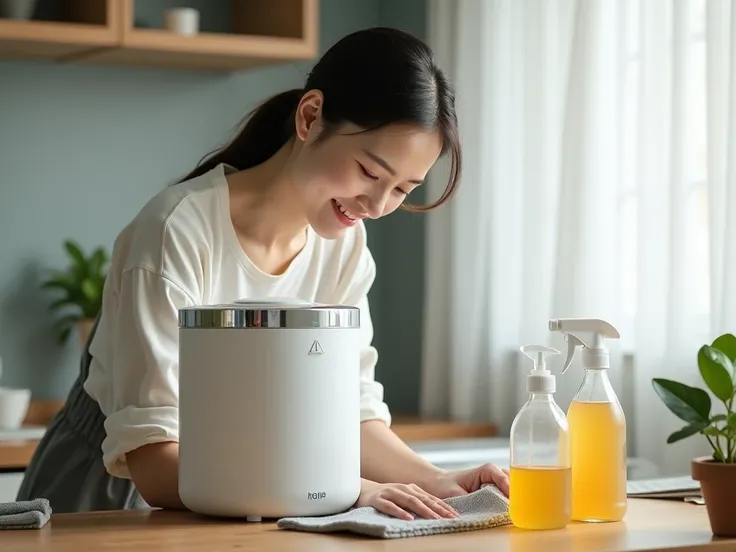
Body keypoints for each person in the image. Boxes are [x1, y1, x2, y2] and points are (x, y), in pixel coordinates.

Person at [17, 27, 509, 520]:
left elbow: (351, 413)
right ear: (311, 117)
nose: (378, 206)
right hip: (109, 501)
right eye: (368, 172)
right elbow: (153, 460)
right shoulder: (175, 231)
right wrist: (343, 489)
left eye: (403, 189)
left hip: (257, 498)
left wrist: (439, 480)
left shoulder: (345, 247)